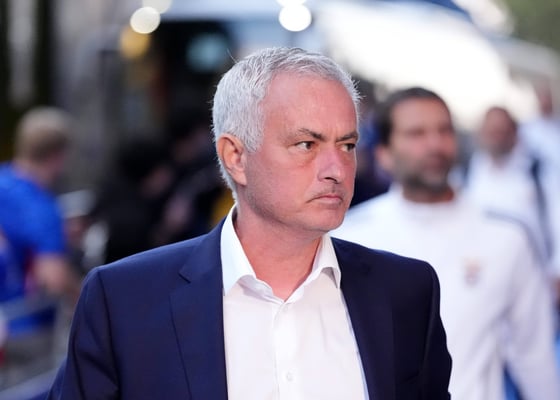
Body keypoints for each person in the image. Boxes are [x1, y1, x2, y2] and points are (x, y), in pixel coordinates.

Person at [48, 47, 452, 399]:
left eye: (347, 145)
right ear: (235, 157)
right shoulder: (124, 301)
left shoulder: (405, 293)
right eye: (306, 144)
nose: (336, 169)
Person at [333, 87, 560, 400]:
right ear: (383, 153)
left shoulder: (507, 237)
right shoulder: (348, 237)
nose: (435, 144)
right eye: (416, 133)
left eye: (444, 130)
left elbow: (534, 359)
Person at [464, 106, 560, 282]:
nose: (497, 138)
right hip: (487, 273)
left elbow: (557, 218)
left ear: (515, 133)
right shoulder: (470, 173)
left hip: (535, 274)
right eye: (491, 132)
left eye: (502, 131)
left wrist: (557, 270)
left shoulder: (538, 171)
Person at [0, 107, 74, 330]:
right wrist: (84, 292)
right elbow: (53, 278)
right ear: (57, 155)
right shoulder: (42, 208)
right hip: (21, 327)